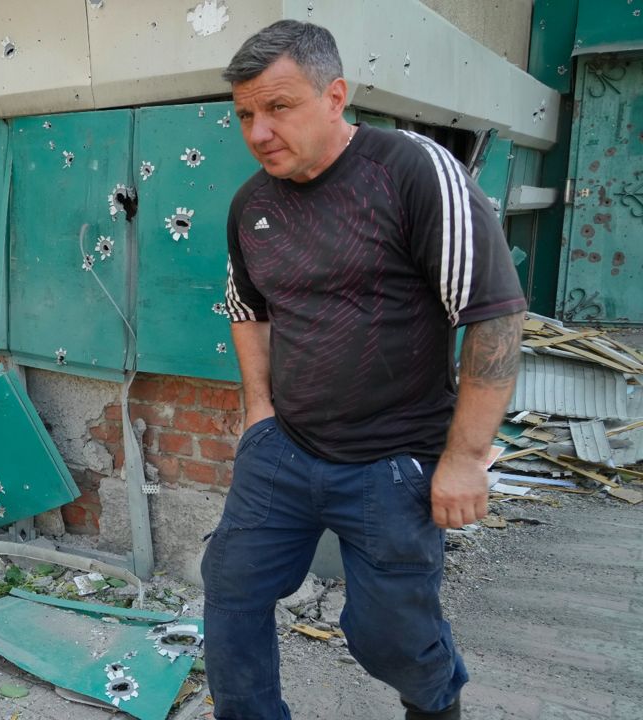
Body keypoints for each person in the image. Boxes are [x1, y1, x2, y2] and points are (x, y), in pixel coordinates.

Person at [206, 19, 527, 720]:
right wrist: (259, 412)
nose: (258, 131)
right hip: (283, 451)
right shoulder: (250, 205)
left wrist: (466, 458)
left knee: (387, 636)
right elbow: (246, 308)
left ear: (335, 96)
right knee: (231, 592)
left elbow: (494, 315)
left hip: (393, 461)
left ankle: (436, 705)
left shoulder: (412, 172)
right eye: (245, 114)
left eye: (278, 106)